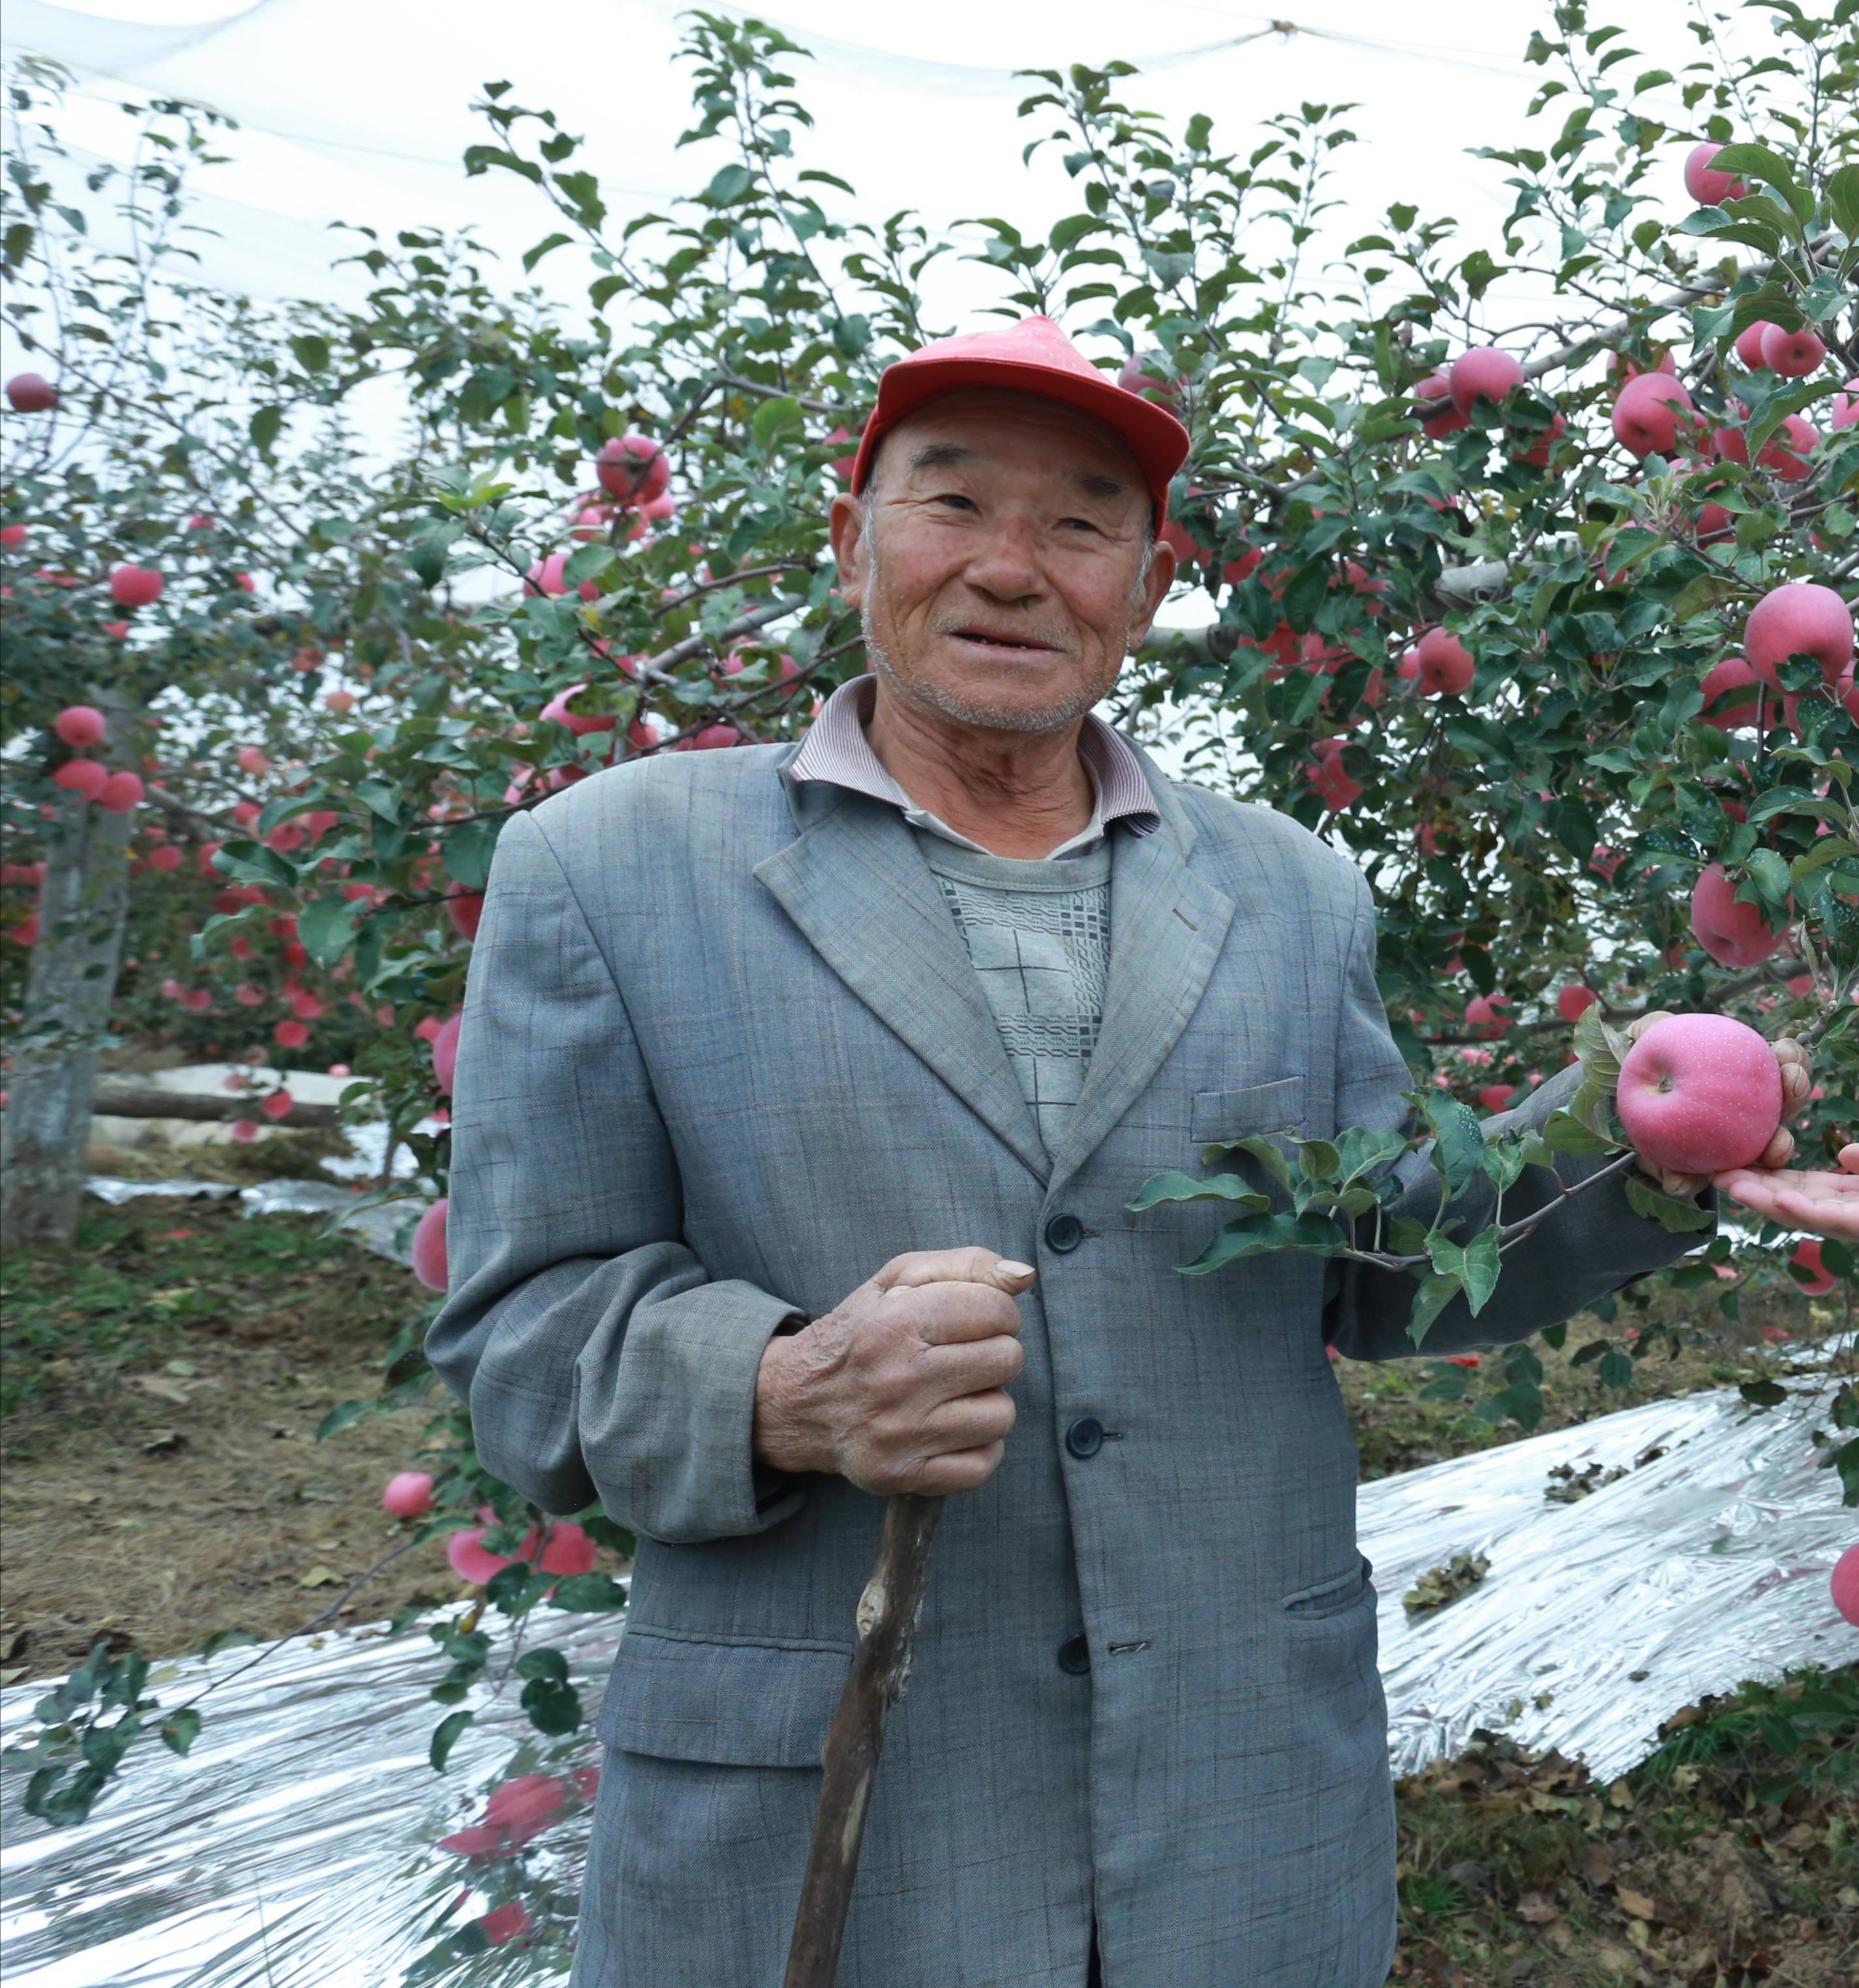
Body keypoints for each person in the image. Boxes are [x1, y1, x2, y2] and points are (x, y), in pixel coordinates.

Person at [427, 315, 1804, 1988]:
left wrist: (1642, 1154)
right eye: (953, 504)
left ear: (1146, 590)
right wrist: (783, 1389)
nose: (1014, 568)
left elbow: (1379, 1255)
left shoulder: (1289, 892)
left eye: (1080, 525)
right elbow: (523, 1335)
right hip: (838, 1826)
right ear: (854, 537)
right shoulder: (608, 867)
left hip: (1237, 1813)